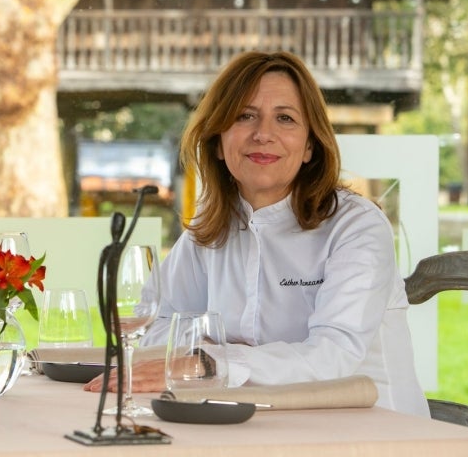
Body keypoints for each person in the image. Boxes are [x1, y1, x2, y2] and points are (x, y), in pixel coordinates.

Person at [84, 50, 429, 418]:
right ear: (217, 141)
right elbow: (155, 323)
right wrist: (199, 352)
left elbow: (333, 356)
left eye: (285, 118)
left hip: (377, 431)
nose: (264, 134)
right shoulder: (213, 226)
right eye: (245, 116)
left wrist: (212, 360)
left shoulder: (356, 227)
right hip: (258, 424)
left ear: (310, 145)